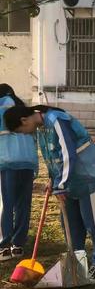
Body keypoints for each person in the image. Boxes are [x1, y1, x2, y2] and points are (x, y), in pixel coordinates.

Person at [4, 104, 95, 283]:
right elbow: (52, 157)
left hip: (87, 178)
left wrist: (60, 184)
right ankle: (78, 262)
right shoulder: (41, 129)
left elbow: (68, 154)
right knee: (70, 224)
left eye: (22, 130)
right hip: (67, 181)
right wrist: (52, 180)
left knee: (93, 224)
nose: (25, 134)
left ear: (24, 120)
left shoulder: (56, 120)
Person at [0, 84, 38, 262]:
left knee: (5, 204)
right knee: (23, 203)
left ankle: (4, 246)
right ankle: (18, 245)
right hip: (28, 162)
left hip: (7, 162)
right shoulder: (23, 109)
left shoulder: (1, 108)